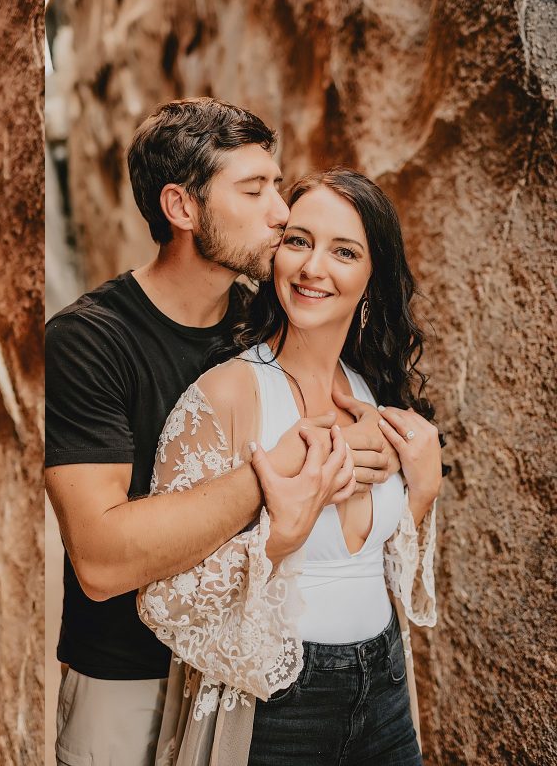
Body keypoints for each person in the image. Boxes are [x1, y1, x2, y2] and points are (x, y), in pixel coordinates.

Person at [45, 98, 400, 765]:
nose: (280, 211)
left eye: (277, 184)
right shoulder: (89, 340)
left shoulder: (263, 323)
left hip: (242, 679)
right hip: (130, 682)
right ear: (181, 208)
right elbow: (99, 559)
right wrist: (280, 473)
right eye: (254, 189)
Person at [138, 169, 441, 765]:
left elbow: (380, 571)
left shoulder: (372, 391)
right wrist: (278, 541)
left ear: (372, 277)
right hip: (279, 703)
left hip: (384, 690)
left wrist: (422, 492)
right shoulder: (226, 395)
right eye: (298, 241)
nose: (312, 268)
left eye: (344, 251)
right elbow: (163, 602)